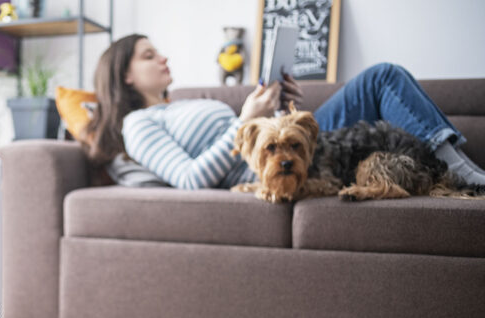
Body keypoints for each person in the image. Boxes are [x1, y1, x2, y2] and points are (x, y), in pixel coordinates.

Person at [82, 34, 485, 189]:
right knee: (382, 76)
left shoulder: (182, 102)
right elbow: (188, 179)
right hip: (260, 167)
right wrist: (243, 121)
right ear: (126, 76)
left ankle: (457, 169)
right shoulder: (139, 124)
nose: (163, 57)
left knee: (383, 76)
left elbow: (270, 136)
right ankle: (464, 178)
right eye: (149, 55)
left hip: (292, 142)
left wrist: (281, 107)